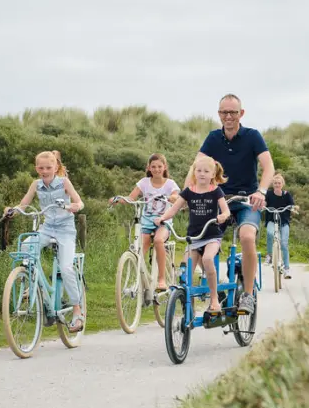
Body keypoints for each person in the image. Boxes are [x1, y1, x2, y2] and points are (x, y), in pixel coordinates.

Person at [189, 93, 274, 315]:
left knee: (247, 237)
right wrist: (187, 193)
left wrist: (261, 191)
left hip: (247, 200)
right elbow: (196, 166)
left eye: (233, 112)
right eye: (224, 112)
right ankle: (216, 287)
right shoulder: (213, 138)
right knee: (198, 242)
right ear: (219, 114)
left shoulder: (253, 136)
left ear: (241, 114)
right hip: (218, 201)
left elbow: (268, 167)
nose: (228, 116)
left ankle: (247, 295)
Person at [4, 150, 86, 332]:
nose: (44, 171)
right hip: (47, 228)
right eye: (41, 168)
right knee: (26, 246)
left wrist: (74, 206)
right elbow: (24, 204)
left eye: (48, 167)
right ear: (36, 168)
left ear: (56, 167)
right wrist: (12, 211)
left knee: (66, 268)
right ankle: (33, 284)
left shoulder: (64, 182)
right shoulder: (36, 185)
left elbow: (80, 202)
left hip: (65, 230)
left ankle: (77, 311)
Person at [155, 156, 231, 313]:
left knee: (208, 259)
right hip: (194, 237)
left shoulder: (216, 191)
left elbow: (226, 211)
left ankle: (215, 299)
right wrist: (162, 218)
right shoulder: (188, 191)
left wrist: (223, 216)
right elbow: (174, 209)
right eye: (199, 171)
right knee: (185, 271)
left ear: (212, 174)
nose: (202, 174)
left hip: (211, 236)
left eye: (206, 171)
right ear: (194, 173)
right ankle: (188, 307)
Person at [112, 153, 180, 291]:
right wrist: (118, 199)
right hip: (146, 221)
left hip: (163, 221)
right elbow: (131, 198)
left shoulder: (170, 184)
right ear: (148, 168)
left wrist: (172, 197)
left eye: (159, 166)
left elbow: (175, 195)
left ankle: (161, 279)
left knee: (159, 241)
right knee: (140, 247)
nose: (156, 169)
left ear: (164, 167)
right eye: (153, 167)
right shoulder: (144, 182)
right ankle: (137, 279)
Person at [264, 172, 298, 279]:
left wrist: (293, 208)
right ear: (273, 184)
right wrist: (262, 206)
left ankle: (287, 269)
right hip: (271, 220)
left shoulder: (287, 194)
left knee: (284, 243)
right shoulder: (268, 194)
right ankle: (269, 255)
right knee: (269, 233)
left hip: (284, 221)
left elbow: (292, 205)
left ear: (282, 184)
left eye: (279, 183)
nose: (277, 185)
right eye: (275, 183)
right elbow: (264, 203)